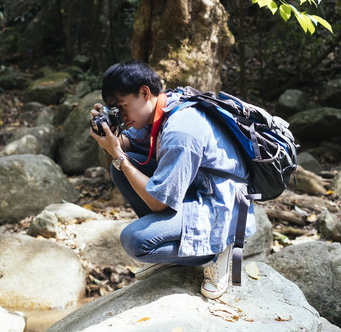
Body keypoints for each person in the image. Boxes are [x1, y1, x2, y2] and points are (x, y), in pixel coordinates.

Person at [90, 61, 255, 299]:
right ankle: (174, 250)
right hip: (197, 189)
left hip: (222, 205)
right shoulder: (166, 104)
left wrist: (117, 156)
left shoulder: (181, 130)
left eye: (122, 107)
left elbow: (159, 204)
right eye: (115, 110)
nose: (122, 116)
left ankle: (218, 251)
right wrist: (111, 134)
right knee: (122, 169)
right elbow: (133, 144)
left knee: (136, 241)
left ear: (145, 92)